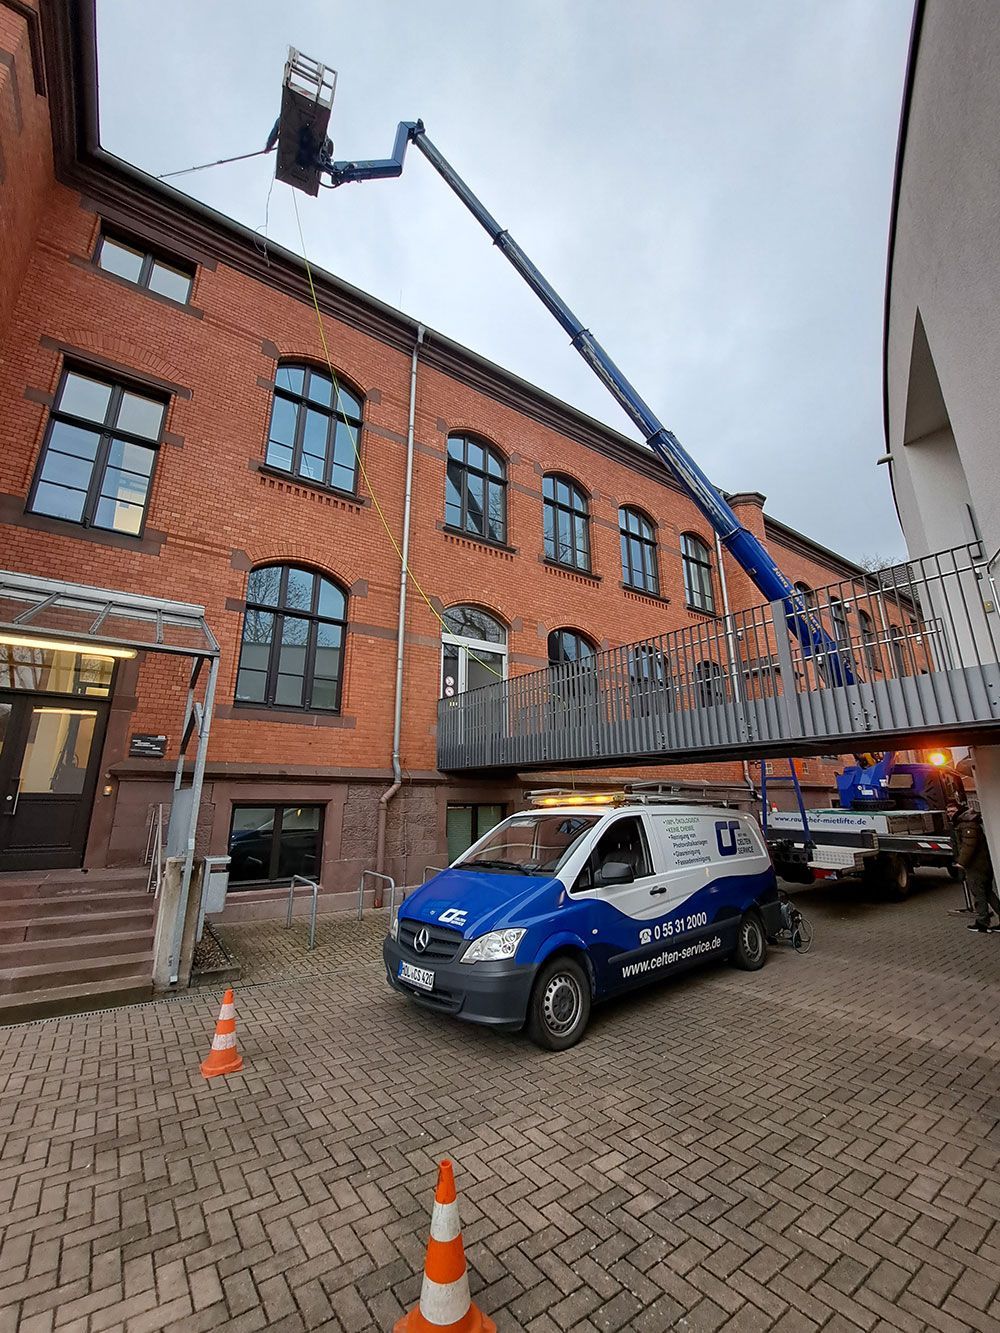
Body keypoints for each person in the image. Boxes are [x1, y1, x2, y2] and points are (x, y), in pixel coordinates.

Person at [947, 798, 1000, 933]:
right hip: (981, 864)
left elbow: (969, 845)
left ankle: (982, 922)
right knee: (988, 893)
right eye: (948, 812)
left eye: (952, 811)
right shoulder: (965, 823)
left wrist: (961, 862)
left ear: (959, 810)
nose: (950, 814)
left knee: (978, 893)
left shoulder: (967, 824)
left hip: (976, 865)